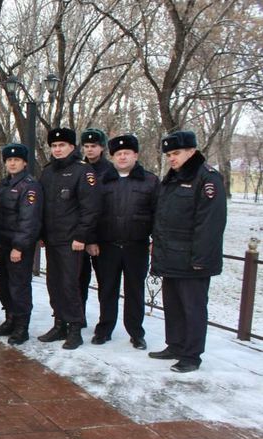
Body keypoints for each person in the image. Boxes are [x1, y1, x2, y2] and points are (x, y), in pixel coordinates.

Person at [149, 131, 226, 372]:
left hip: (193, 259)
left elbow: (210, 224)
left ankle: (191, 355)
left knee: (192, 308)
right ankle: (175, 345)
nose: (172, 158)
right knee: (173, 305)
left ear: (192, 151)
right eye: (169, 154)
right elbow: (163, 217)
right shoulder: (172, 178)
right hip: (171, 255)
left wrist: (200, 260)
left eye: (176, 153)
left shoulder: (207, 178)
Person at [87, 135, 158, 350]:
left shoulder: (150, 181)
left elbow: (158, 214)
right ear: (112, 156)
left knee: (135, 291)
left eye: (127, 153)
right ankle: (104, 329)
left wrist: (156, 240)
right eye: (118, 154)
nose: (123, 157)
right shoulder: (102, 181)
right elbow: (92, 212)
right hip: (107, 245)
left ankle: (136, 332)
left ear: (135, 155)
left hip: (136, 245)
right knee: (107, 289)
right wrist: (91, 240)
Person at [38, 127, 100, 350]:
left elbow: (90, 208)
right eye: (54, 146)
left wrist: (81, 236)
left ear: (72, 147)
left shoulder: (83, 172)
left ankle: (75, 327)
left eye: (61, 145)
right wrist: (42, 235)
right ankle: (59, 323)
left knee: (69, 284)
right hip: (53, 239)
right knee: (53, 283)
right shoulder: (47, 172)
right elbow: (43, 208)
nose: (57, 149)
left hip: (72, 240)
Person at [0, 144, 43, 345]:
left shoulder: (29, 186)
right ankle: (10, 319)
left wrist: (19, 246)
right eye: (9, 160)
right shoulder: (3, 185)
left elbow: (29, 220)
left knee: (19, 287)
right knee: (3, 286)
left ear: (24, 163)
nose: (12, 163)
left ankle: (22, 326)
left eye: (16, 160)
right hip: (4, 243)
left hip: (18, 246)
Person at [78, 128, 113, 324]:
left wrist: (94, 238)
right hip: (82, 234)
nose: (90, 150)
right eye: (86, 146)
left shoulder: (109, 171)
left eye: (94, 146)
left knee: (105, 284)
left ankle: (105, 323)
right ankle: (78, 316)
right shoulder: (79, 168)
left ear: (102, 148)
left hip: (103, 235)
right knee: (79, 281)